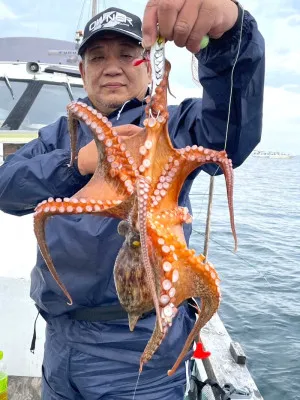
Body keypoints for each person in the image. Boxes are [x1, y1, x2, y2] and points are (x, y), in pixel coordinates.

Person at [0, 1, 265, 399]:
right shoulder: (60, 135)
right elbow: (7, 188)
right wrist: (79, 163)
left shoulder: (172, 129)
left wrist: (231, 33)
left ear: (146, 63)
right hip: (60, 340)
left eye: (127, 54)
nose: (111, 66)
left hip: (138, 349)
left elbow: (231, 130)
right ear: (82, 70)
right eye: (97, 57)